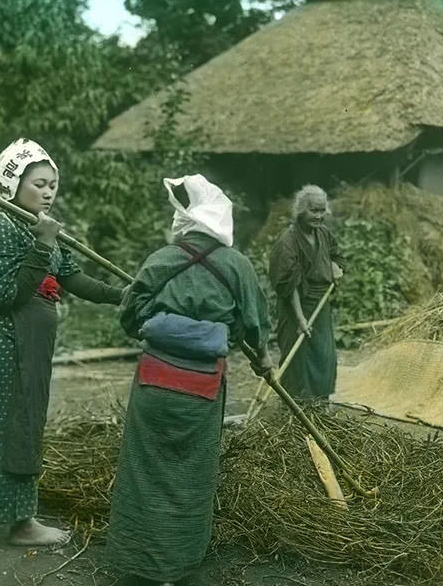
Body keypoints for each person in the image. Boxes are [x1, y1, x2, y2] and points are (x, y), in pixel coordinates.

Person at [0, 138, 124, 545]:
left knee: (1, 421)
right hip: (5, 343)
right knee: (14, 422)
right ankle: (21, 524)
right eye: (39, 184)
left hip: (29, 345)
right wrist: (43, 243)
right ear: (12, 185)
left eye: (52, 186)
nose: (48, 193)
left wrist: (121, 295)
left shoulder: (39, 228)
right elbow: (10, 294)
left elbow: (73, 277)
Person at [107, 174, 272, 586]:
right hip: (202, 387)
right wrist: (261, 359)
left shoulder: (161, 259)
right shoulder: (237, 266)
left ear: (188, 220)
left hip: (154, 381)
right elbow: (256, 326)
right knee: (190, 474)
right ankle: (175, 566)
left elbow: (129, 317)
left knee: (145, 470)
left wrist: (164, 325)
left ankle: (139, 562)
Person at [268, 184, 344, 400]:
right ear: (301, 210)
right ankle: (296, 407)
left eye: (322, 211)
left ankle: (320, 403)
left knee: (324, 356)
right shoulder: (288, 241)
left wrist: (336, 267)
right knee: (298, 360)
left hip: (321, 307)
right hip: (296, 308)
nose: (319, 216)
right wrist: (301, 319)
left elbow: (337, 256)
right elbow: (288, 284)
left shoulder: (324, 234)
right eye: (314, 210)